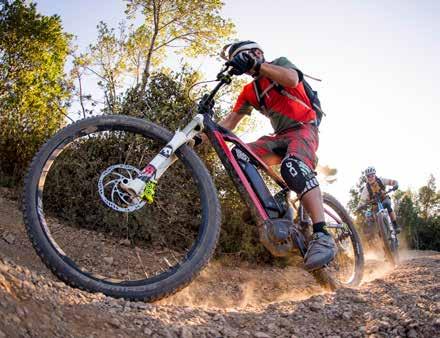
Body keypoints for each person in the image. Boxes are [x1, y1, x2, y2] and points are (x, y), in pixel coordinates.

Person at [211, 40, 337, 271]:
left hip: (304, 129)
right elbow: (229, 123)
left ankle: (322, 235)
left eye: (244, 56)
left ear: (258, 53)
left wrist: (259, 66)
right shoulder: (250, 91)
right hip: (278, 136)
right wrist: (202, 133)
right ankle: (270, 205)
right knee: (239, 153)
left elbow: (292, 79)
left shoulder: (279, 65)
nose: (243, 64)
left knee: (292, 166)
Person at [357, 166, 400, 233]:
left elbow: (392, 181)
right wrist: (359, 206)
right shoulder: (366, 188)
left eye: (372, 175)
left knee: (388, 205)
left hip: (384, 199)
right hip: (375, 204)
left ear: (375, 175)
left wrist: (395, 184)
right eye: (368, 176)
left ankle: (395, 225)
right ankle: (381, 231)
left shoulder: (381, 180)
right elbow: (362, 200)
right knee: (373, 216)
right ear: (366, 177)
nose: (370, 178)